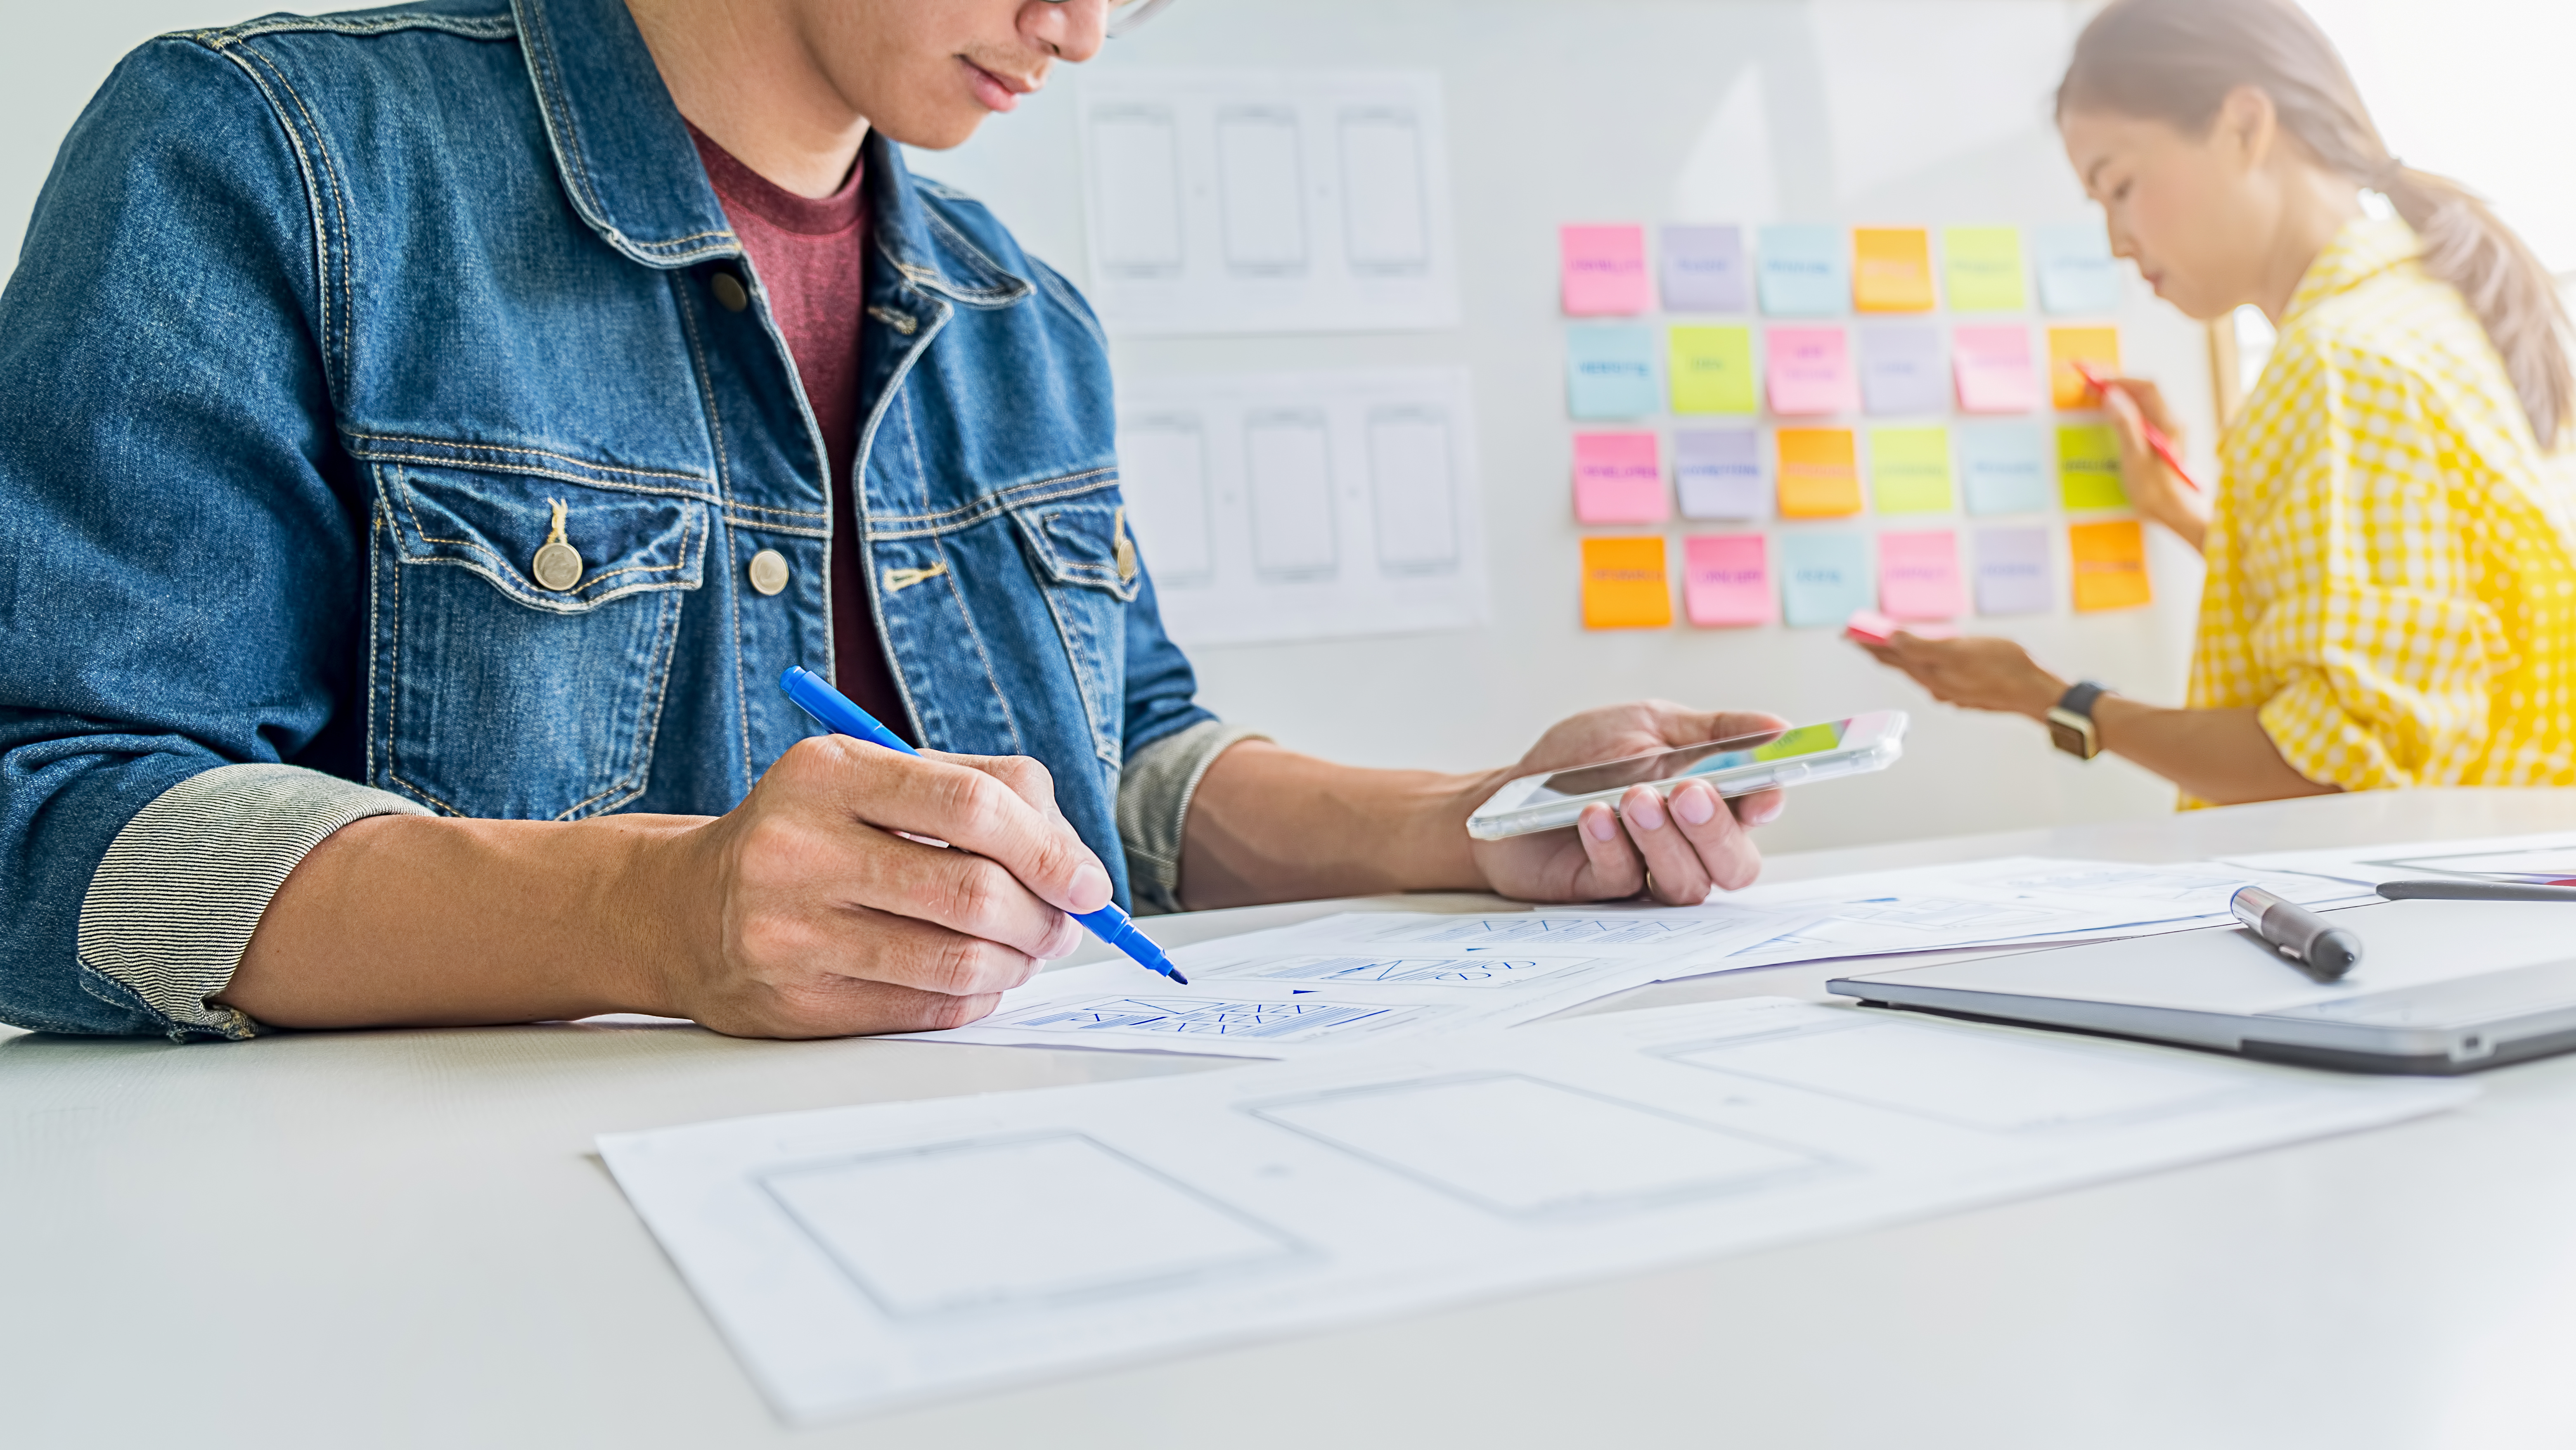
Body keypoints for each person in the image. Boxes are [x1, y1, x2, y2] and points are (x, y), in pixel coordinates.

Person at [0, 0, 1786, 1043]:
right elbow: (54, 811)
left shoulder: (1027, 315)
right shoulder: (267, 154)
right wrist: (648, 907)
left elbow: (1128, 765)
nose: (1081, 32)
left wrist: (1472, 820)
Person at [1861, 0, 2576, 808]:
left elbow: (2329, 770)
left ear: (2244, 125)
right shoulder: (2430, 308)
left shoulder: (2338, 363)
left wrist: (2050, 697)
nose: (2115, 242)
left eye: (2120, 187)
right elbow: (2421, 614)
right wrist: (2183, 513)